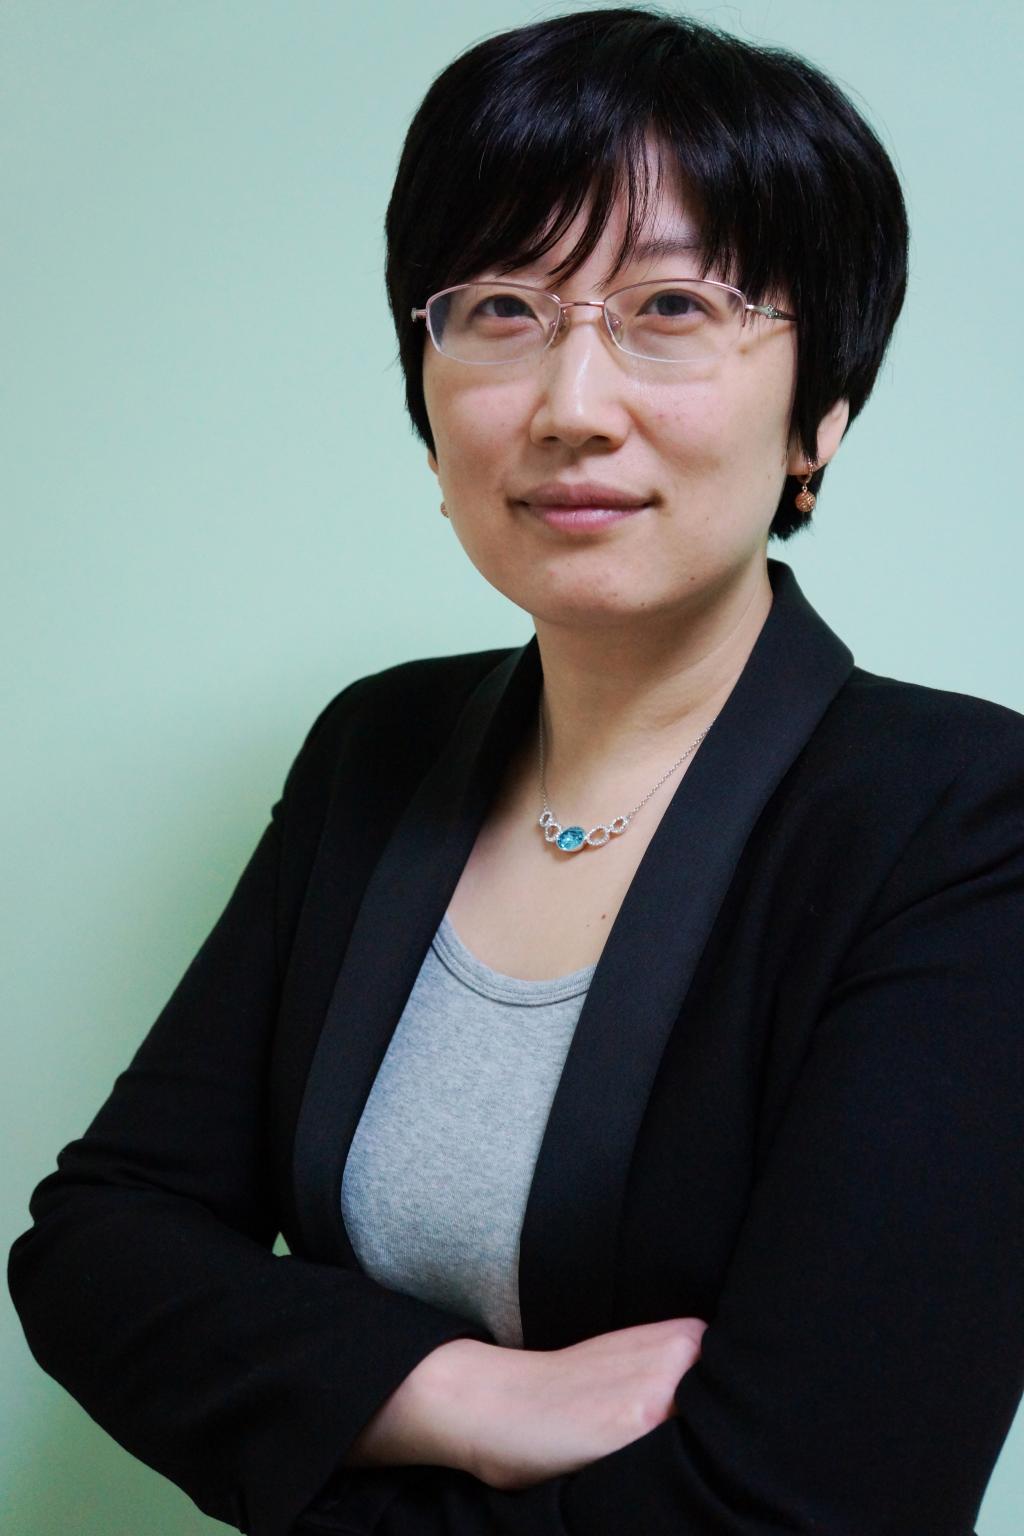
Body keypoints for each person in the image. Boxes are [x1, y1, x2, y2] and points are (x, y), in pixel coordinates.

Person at [8, 7, 1024, 1535]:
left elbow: (813, 1505)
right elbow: (99, 1245)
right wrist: (455, 1393)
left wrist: (313, 1442)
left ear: (821, 410)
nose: (571, 407)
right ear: (425, 397)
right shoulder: (377, 750)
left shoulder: (960, 820)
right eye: (500, 308)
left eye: (670, 305)